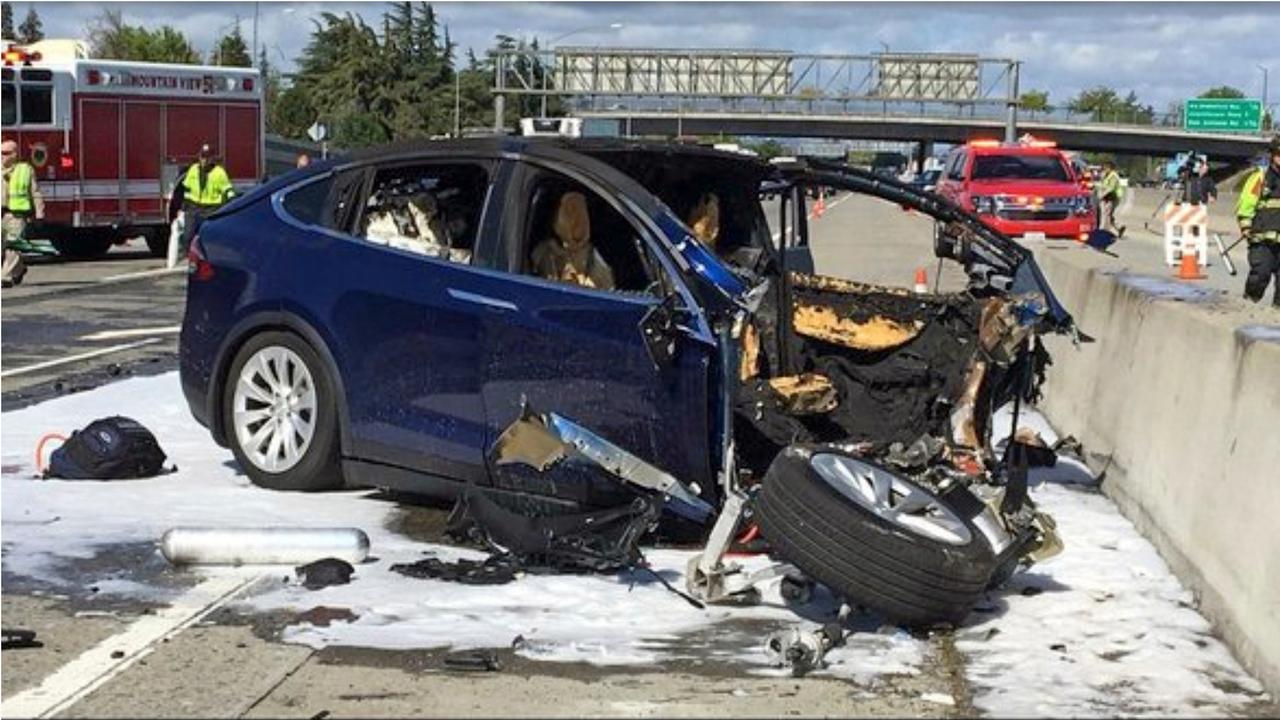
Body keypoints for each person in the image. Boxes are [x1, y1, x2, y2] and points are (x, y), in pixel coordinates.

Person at [531, 191, 614, 290]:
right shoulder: (545, 251)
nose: (576, 221)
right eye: (569, 212)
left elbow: (605, 289)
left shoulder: (593, 257)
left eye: (579, 212)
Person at [168, 144, 235, 265]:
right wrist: (182, 208)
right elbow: (187, 191)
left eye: (207, 157)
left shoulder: (219, 173)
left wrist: (230, 207)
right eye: (202, 157)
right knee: (188, 236)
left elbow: (228, 191)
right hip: (193, 209)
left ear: (212, 158)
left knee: (208, 238)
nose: (204, 160)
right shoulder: (193, 170)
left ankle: (208, 261)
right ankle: (191, 260)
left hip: (211, 210)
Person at [1236, 136, 1280, 306]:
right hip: (1262, 239)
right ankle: (1248, 307)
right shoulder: (1260, 178)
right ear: (1273, 156)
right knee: (1260, 276)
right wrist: (1246, 226)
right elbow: (1246, 205)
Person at [2, 139, 44, 287]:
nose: (2, 156)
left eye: (5, 153)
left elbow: (36, 193)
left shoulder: (25, 170)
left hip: (17, 215)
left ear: (15, 154)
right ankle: (19, 269)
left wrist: (39, 215)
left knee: (13, 247)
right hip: (1, 215)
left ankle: (5, 277)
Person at [1098, 159, 1126, 237]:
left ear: (1110, 168)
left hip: (1112, 198)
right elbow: (1103, 185)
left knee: (1106, 215)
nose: (1104, 169)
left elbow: (1110, 188)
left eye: (1105, 168)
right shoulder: (1107, 175)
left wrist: (1101, 195)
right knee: (1108, 214)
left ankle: (1104, 230)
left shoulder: (1113, 176)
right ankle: (1119, 227)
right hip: (1109, 197)